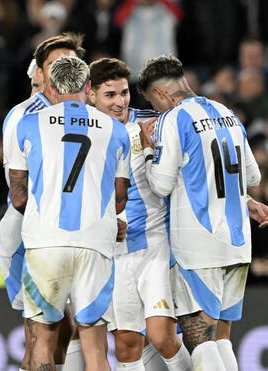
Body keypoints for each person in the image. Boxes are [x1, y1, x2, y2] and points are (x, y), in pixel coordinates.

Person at [137, 55, 268, 371]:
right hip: (238, 243)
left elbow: (160, 184)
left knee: (200, 339)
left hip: (198, 247)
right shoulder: (226, 113)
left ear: (159, 94)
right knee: (222, 337)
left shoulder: (174, 118)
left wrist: (147, 150)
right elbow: (252, 177)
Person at [7, 55, 130, 371]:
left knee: (43, 340)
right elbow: (119, 199)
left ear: (49, 86)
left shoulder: (28, 123)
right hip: (96, 241)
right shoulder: (115, 130)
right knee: (95, 346)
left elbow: (18, 196)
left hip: (45, 241)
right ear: (89, 87)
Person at [88, 57, 192, 371]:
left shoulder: (153, 123)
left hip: (155, 245)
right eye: (110, 95)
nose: (120, 102)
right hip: (114, 254)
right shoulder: (84, 133)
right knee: (127, 345)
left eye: (123, 93)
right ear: (91, 95)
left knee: (161, 336)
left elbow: (195, 161)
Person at [0, 32, 87, 371]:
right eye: (53, 65)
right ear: (38, 73)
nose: (62, 70)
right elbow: (19, 193)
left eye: (70, 64)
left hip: (77, 232)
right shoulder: (23, 117)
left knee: (74, 327)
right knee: (41, 331)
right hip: (28, 235)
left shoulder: (88, 114)